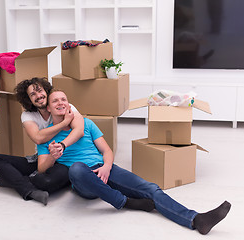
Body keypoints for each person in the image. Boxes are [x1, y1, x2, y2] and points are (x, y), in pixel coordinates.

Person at [37, 89, 231, 235]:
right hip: (85, 181)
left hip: (107, 169)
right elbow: (41, 167)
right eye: (55, 100)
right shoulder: (48, 137)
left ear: (69, 104)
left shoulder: (87, 124)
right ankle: (124, 202)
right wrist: (54, 157)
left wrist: (106, 166)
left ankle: (196, 219)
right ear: (48, 107)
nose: (60, 103)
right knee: (77, 169)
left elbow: (106, 150)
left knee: (150, 188)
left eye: (64, 99)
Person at [0, 78, 84, 205]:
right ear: (28, 99)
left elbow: (79, 130)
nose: (38, 96)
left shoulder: (65, 106)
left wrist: (61, 145)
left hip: (65, 159)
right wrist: (65, 123)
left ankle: (13, 180)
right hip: (41, 159)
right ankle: (30, 191)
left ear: (47, 91)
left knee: (47, 182)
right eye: (32, 94)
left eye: (40, 91)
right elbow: (38, 138)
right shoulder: (27, 115)